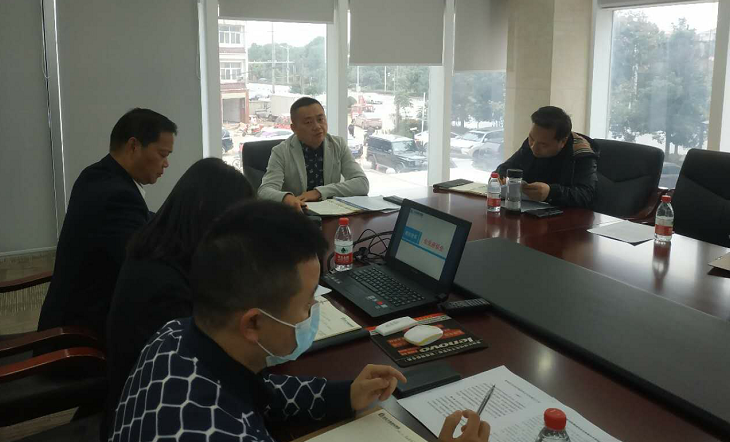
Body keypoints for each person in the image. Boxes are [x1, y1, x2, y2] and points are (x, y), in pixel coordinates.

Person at [109, 201, 489, 442]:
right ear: (253, 324)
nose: (313, 313)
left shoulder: (175, 336)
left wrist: (344, 395)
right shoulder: (217, 432)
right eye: (308, 304)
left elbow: (260, 391)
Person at [103, 158, 254, 440]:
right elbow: (208, 366)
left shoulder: (162, 246)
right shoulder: (165, 289)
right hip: (150, 419)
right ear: (211, 219)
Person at [38, 108, 177, 340]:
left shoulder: (96, 175)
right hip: (82, 338)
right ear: (133, 146)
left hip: (67, 317)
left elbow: (142, 218)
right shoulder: (118, 196)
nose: (166, 163)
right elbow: (141, 267)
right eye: (163, 154)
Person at [258, 97, 369, 212]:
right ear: (294, 128)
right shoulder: (281, 152)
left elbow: (362, 183)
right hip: (298, 215)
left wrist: (319, 192)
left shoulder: (338, 145)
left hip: (331, 213)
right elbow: (264, 191)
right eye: (308, 122)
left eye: (320, 119)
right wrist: (286, 198)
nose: (317, 126)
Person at [495, 106, 599, 208]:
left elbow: (586, 195)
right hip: (531, 210)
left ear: (563, 141)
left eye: (543, 144)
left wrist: (550, 193)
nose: (534, 148)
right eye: (531, 138)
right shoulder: (533, 143)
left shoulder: (581, 152)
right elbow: (506, 167)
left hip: (567, 215)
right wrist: (502, 176)